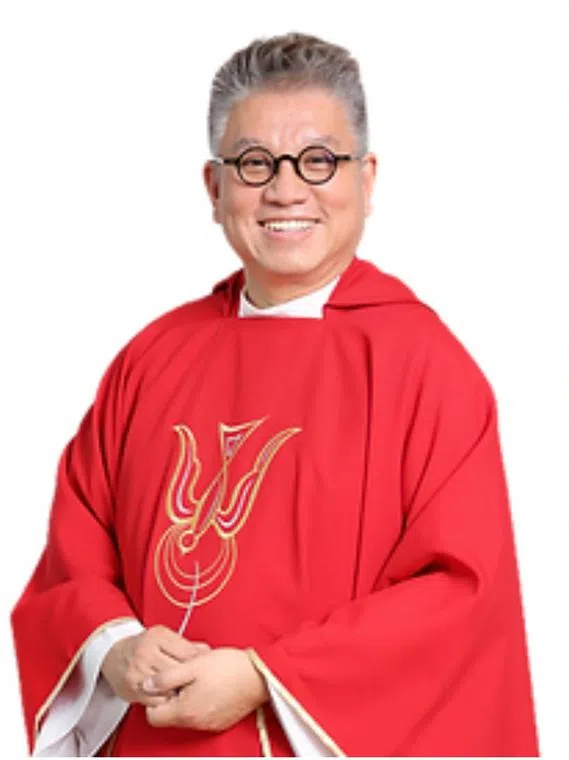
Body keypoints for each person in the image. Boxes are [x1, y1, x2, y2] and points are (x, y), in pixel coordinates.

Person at [10, 33, 538, 757]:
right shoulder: (150, 358)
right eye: (255, 163)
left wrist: (268, 676)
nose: (286, 190)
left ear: (367, 177)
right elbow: (76, 548)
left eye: (318, 160)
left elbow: (459, 595)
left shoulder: (425, 367)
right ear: (214, 187)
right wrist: (115, 646)